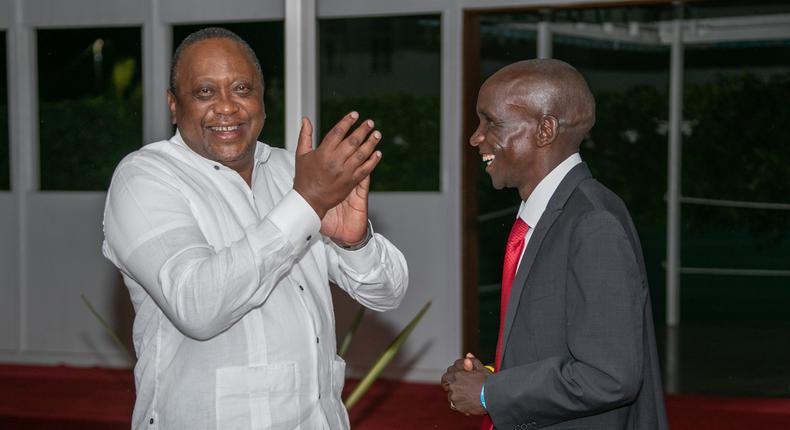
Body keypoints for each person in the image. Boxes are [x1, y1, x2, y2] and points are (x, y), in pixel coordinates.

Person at [102, 27, 408, 429]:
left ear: (263, 100)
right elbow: (197, 306)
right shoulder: (145, 177)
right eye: (204, 92)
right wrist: (306, 203)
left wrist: (356, 243)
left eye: (242, 88)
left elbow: (388, 294)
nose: (226, 107)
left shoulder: (290, 171)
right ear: (173, 106)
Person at [441, 59, 667, 429]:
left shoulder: (592, 222)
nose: (476, 137)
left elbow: (610, 375)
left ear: (545, 130)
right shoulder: (551, 214)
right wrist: (493, 376)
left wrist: (490, 394)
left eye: (491, 122)